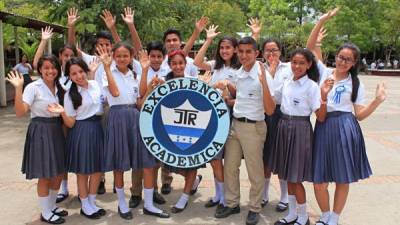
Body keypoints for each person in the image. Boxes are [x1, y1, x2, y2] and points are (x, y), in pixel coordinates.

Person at [307, 8, 387, 225]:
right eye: (341, 57)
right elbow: (309, 47)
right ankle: (324, 214)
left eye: (348, 60)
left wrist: (377, 101)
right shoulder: (323, 72)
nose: (343, 62)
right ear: (336, 56)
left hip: (345, 126)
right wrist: (321, 20)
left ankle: (334, 217)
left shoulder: (355, 83)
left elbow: (359, 115)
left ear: (354, 63)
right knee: (319, 179)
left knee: (342, 176)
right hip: (324, 124)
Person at [100, 42, 169, 219]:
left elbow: (140, 100)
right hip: (117, 118)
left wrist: (146, 72)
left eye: (126, 55)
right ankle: (122, 203)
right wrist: (107, 68)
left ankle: (148, 204)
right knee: (119, 165)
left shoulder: (134, 74)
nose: (122, 59)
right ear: (113, 56)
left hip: (135, 117)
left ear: (131, 58)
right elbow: (114, 93)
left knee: (147, 162)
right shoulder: (105, 73)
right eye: (119, 55)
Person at [215, 37, 275, 225]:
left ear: (256, 53)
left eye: (248, 51)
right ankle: (232, 204)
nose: (243, 55)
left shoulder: (263, 74)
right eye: (240, 51)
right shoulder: (240, 72)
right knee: (231, 167)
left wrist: (264, 83)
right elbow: (240, 96)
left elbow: (271, 109)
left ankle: (254, 207)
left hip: (253, 128)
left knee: (254, 171)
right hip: (236, 125)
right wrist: (228, 86)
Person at [269, 48, 333, 225]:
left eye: (302, 63)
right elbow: (273, 99)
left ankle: (303, 217)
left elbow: (320, 117)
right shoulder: (287, 81)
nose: (297, 66)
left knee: (295, 177)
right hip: (283, 127)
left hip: (300, 129)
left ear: (309, 65)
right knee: (286, 175)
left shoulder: (311, 86)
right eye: (294, 62)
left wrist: (324, 97)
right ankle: (292, 214)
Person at [7, 54, 68, 224]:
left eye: (53, 67)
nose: (50, 71)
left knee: (58, 172)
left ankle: (51, 206)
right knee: (45, 174)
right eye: (46, 67)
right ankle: (46, 212)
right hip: (41, 130)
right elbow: (20, 112)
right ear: (40, 69)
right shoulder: (33, 87)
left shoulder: (60, 87)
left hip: (57, 130)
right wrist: (18, 88)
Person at [143, 50, 203, 214]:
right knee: (169, 164)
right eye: (174, 63)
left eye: (180, 63)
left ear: (185, 64)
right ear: (169, 65)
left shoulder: (194, 82)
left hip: (191, 129)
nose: (178, 66)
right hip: (168, 131)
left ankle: (184, 198)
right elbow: (152, 106)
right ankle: (194, 181)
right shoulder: (163, 82)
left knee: (192, 164)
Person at [47, 57, 105, 220]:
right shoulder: (70, 95)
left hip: (97, 128)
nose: (79, 76)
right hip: (81, 131)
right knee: (83, 171)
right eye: (74, 74)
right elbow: (71, 123)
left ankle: (92, 202)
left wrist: (93, 73)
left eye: (80, 71)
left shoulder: (94, 84)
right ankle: (85, 205)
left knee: (97, 170)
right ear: (69, 76)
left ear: (86, 70)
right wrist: (63, 112)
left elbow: (100, 103)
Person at [193, 24, 240, 211]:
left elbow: (240, 96)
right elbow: (197, 62)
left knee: (227, 159)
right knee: (214, 158)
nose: (224, 50)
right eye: (222, 47)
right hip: (212, 116)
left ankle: (227, 197)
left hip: (229, 115)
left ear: (235, 49)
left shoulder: (240, 69)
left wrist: (228, 86)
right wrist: (209, 39)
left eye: (228, 47)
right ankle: (219, 195)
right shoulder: (214, 66)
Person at [33, 26, 77, 204]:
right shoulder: (53, 75)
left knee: (64, 155)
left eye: (70, 55)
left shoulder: (75, 73)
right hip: (55, 122)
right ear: (60, 56)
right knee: (58, 158)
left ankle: (64, 186)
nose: (68, 58)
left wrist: (71, 28)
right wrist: (43, 41)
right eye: (65, 55)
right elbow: (38, 64)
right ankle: (63, 187)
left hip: (69, 119)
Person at [129, 41, 169, 209]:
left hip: (160, 121)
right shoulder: (140, 73)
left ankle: (153, 191)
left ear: (163, 58)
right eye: (152, 56)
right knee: (139, 160)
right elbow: (139, 99)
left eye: (159, 56)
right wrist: (151, 85)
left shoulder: (168, 72)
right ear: (148, 57)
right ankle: (136, 193)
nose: (155, 59)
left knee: (156, 159)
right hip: (143, 119)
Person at [260, 38, 292, 212]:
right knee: (265, 156)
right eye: (267, 50)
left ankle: (284, 196)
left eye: (274, 50)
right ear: (263, 53)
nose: (271, 54)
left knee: (281, 155)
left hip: (282, 114)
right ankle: (264, 194)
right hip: (263, 113)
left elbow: (279, 94)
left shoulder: (289, 68)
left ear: (280, 51)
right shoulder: (259, 69)